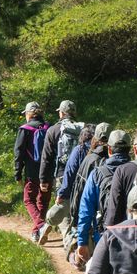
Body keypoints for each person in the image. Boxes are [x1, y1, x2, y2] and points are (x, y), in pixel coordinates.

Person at [75, 129, 132, 270]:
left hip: (103, 237)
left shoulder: (97, 174)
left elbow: (86, 211)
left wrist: (82, 242)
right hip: (132, 237)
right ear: (130, 150)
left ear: (109, 150)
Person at [38, 99, 82, 244]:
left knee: (62, 204)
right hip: (81, 174)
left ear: (61, 113)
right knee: (70, 206)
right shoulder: (83, 129)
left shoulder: (53, 130)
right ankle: (49, 229)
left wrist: (43, 179)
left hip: (61, 173)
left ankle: (68, 242)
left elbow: (46, 157)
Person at [67, 122, 111, 261]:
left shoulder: (89, 159)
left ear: (95, 138)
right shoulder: (120, 163)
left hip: (90, 218)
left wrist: (75, 218)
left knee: (89, 259)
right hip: (110, 221)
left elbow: (79, 191)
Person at [57, 123, 96, 257]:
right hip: (100, 195)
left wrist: (62, 194)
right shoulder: (105, 152)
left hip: (80, 195)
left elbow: (69, 173)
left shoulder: (79, 150)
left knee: (80, 224)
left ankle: (76, 254)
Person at [14, 102, 49, 242]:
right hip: (48, 171)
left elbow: (19, 153)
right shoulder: (49, 127)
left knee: (28, 199)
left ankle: (41, 225)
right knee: (43, 200)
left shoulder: (25, 129)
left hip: (32, 171)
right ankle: (37, 232)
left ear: (28, 114)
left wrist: (17, 173)